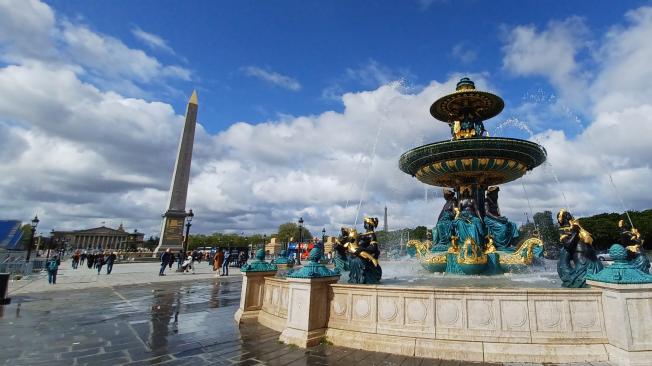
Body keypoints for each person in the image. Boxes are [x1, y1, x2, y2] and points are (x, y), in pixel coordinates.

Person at [484, 186, 520, 250]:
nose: (497, 195)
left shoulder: (494, 201)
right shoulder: (486, 200)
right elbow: (487, 213)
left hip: (496, 218)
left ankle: (511, 243)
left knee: (512, 225)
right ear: (491, 194)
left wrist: (502, 218)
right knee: (503, 227)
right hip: (489, 219)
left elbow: (497, 213)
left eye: (497, 193)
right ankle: (501, 245)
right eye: (495, 193)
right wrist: (499, 219)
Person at [453, 186, 486, 252]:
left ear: (469, 192)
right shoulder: (461, 200)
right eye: (465, 192)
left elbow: (477, 210)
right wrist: (460, 216)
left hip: (472, 215)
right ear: (463, 193)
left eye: (467, 192)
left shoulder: (472, 200)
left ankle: (477, 243)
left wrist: (480, 218)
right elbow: (459, 211)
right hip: (463, 216)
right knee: (460, 223)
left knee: (477, 222)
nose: (466, 193)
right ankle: (462, 243)